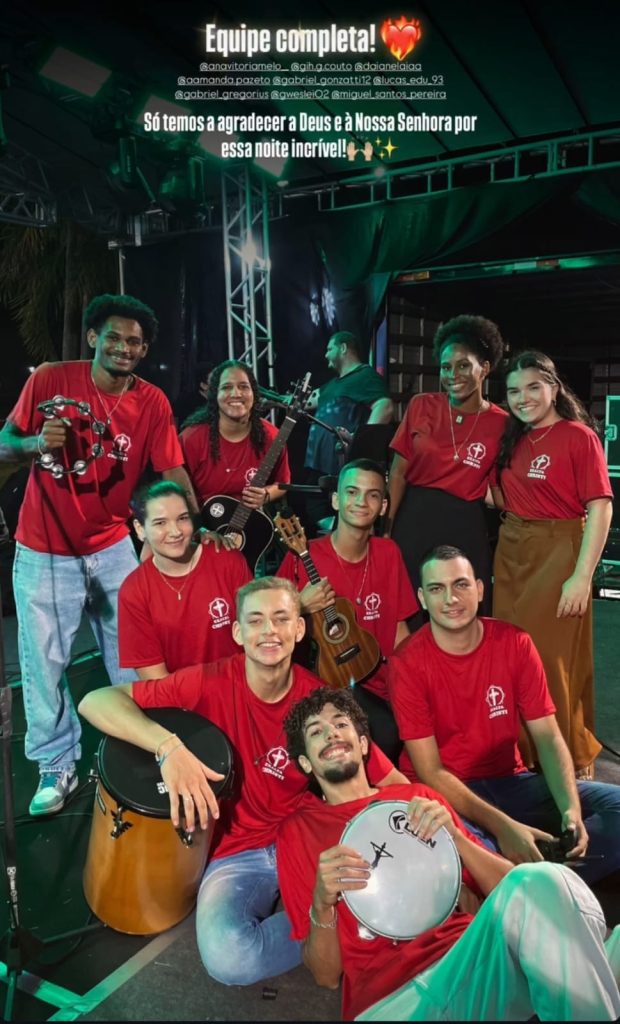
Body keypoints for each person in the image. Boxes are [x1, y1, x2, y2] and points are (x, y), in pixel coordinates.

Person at [78, 577, 403, 987]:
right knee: (229, 959)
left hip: (301, 831)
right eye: (256, 620)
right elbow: (95, 701)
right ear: (237, 632)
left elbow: (389, 779)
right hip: (235, 850)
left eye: (281, 618)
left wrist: (438, 823)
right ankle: (339, 928)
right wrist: (168, 747)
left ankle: (344, 926)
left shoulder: (318, 700)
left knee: (392, 882)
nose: (269, 631)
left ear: (299, 629)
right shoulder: (208, 682)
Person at [277, 687, 620, 1022]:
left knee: (546, 878)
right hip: (393, 999)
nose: (332, 734)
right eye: (316, 732)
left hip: (469, 961)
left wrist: (456, 838)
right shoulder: (298, 833)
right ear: (306, 763)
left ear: (364, 744)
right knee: (583, 959)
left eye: (340, 724)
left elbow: (516, 890)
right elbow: (326, 976)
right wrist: (322, 902)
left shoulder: (417, 798)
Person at [0, 293, 195, 817]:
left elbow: (172, 469)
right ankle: (55, 764)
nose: (123, 347)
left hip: (111, 545)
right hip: (44, 547)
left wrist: (194, 524)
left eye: (134, 341)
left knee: (133, 653)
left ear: (144, 349)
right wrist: (35, 445)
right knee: (44, 662)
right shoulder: (51, 380)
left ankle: (135, 744)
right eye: (114, 337)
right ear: (93, 338)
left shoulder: (151, 402)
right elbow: (5, 443)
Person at [388, 545, 620, 886]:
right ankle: (537, 876)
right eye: (437, 589)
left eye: (461, 584)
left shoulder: (515, 643)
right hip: (448, 793)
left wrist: (571, 810)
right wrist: (504, 828)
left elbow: (547, 736)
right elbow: (431, 772)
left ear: (480, 589)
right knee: (451, 852)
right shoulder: (406, 663)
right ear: (423, 599)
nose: (451, 598)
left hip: (510, 782)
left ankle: (530, 880)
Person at [491, 350, 613, 777]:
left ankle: (566, 757)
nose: (523, 398)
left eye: (533, 387)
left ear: (554, 388)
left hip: (558, 551)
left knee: (550, 659)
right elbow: (503, 497)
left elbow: (600, 507)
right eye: (513, 391)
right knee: (509, 655)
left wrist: (581, 576)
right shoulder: (514, 438)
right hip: (511, 549)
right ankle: (521, 755)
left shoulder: (578, 436)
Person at [277, 458, 418, 761]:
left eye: (372, 495)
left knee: (392, 731)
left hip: (378, 682)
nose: (361, 502)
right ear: (335, 500)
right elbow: (269, 630)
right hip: (322, 686)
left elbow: (399, 630)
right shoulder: (303, 556)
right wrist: (300, 605)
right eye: (352, 492)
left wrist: (419, 679)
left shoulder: (389, 554)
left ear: (383, 506)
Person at [387, 314, 507, 615]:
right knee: (411, 606)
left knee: (465, 609)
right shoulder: (421, 405)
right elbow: (398, 473)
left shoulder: (502, 423)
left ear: (485, 368)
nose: (453, 374)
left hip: (465, 524)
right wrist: (386, 529)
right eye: (446, 367)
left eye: (463, 365)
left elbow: (500, 487)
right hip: (414, 520)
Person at [119, 480, 251, 677]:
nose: (175, 532)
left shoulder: (227, 560)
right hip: (180, 695)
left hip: (240, 685)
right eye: (160, 523)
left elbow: (256, 635)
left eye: (182, 518)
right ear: (140, 529)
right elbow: (155, 681)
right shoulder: (133, 592)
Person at [304, 331, 393, 531]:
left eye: (330, 349)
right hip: (320, 462)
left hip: (343, 462)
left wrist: (360, 443)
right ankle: (339, 534)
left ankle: (346, 535)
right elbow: (303, 401)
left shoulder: (365, 376)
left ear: (343, 348)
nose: (326, 354)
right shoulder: (332, 385)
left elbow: (385, 406)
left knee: (342, 506)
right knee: (316, 507)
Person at [179, 359, 290, 510]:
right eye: (226, 387)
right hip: (204, 522)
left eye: (243, 386)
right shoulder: (191, 439)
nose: (236, 394)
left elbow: (282, 483)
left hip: (250, 520)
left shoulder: (271, 436)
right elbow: (177, 488)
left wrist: (266, 494)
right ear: (215, 395)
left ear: (254, 393)